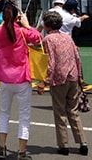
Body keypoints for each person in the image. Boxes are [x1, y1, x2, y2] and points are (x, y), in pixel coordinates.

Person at [0, 1, 42, 159]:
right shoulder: (23, 32)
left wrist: (2, 24)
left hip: (5, 80)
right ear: (17, 17)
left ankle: (1, 148)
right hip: (22, 79)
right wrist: (27, 25)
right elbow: (38, 38)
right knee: (24, 115)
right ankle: (21, 152)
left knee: (4, 113)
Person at [36, 10, 88, 156]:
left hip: (59, 79)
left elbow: (50, 63)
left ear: (47, 25)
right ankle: (83, 143)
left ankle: (63, 145)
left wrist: (43, 82)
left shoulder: (48, 40)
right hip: (73, 77)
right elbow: (77, 57)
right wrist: (80, 77)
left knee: (60, 113)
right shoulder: (67, 37)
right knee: (73, 111)